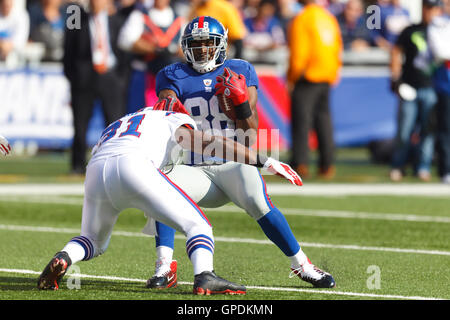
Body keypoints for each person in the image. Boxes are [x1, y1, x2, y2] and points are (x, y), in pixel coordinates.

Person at [36, 96, 302, 294]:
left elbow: (103, 152)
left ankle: (65, 257)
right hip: (133, 164)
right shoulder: (172, 119)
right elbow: (211, 144)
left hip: (96, 169)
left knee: (92, 240)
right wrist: (265, 162)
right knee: (198, 225)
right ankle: (204, 275)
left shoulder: (124, 120)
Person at [143, 16, 336, 290]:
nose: (201, 50)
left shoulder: (240, 69)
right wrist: (170, 103)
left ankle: (302, 265)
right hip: (194, 167)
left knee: (259, 202)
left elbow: (250, 128)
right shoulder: (172, 74)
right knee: (159, 189)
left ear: (221, 44)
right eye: (195, 45)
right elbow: (168, 102)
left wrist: (241, 103)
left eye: (208, 43)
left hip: (233, 162)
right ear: (186, 47)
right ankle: (164, 266)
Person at [63, 0, 131, 174]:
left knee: (115, 123)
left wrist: (121, 78)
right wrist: (74, 77)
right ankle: (77, 165)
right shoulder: (78, 20)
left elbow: (124, 51)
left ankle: (114, 161)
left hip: (110, 75)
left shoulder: (116, 20)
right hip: (85, 77)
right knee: (80, 124)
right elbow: (68, 51)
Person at [287, 0, 343, 180]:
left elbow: (299, 53)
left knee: (302, 121)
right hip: (326, 75)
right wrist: (334, 72)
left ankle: (300, 163)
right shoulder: (328, 18)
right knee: (323, 121)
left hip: (307, 75)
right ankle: (327, 164)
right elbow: (337, 47)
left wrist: (291, 77)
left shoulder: (303, 18)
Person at [389, 0, 442, 182]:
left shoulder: (442, 31)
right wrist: (395, 77)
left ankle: (423, 167)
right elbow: (396, 51)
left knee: (428, 131)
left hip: (432, 87)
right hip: (410, 86)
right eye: (427, 8)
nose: (430, 12)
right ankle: (398, 165)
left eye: (433, 8)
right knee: (405, 130)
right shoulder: (410, 30)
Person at [118, 0, 184, 112]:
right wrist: (154, 48)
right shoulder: (139, 15)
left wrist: (171, 49)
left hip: (171, 77)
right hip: (145, 74)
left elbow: (184, 49)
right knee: (142, 115)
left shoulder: (179, 19)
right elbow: (126, 41)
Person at [428, 0, 450, 184]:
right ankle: (446, 170)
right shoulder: (438, 23)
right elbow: (441, 51)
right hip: (446, 84)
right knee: (445, 128)